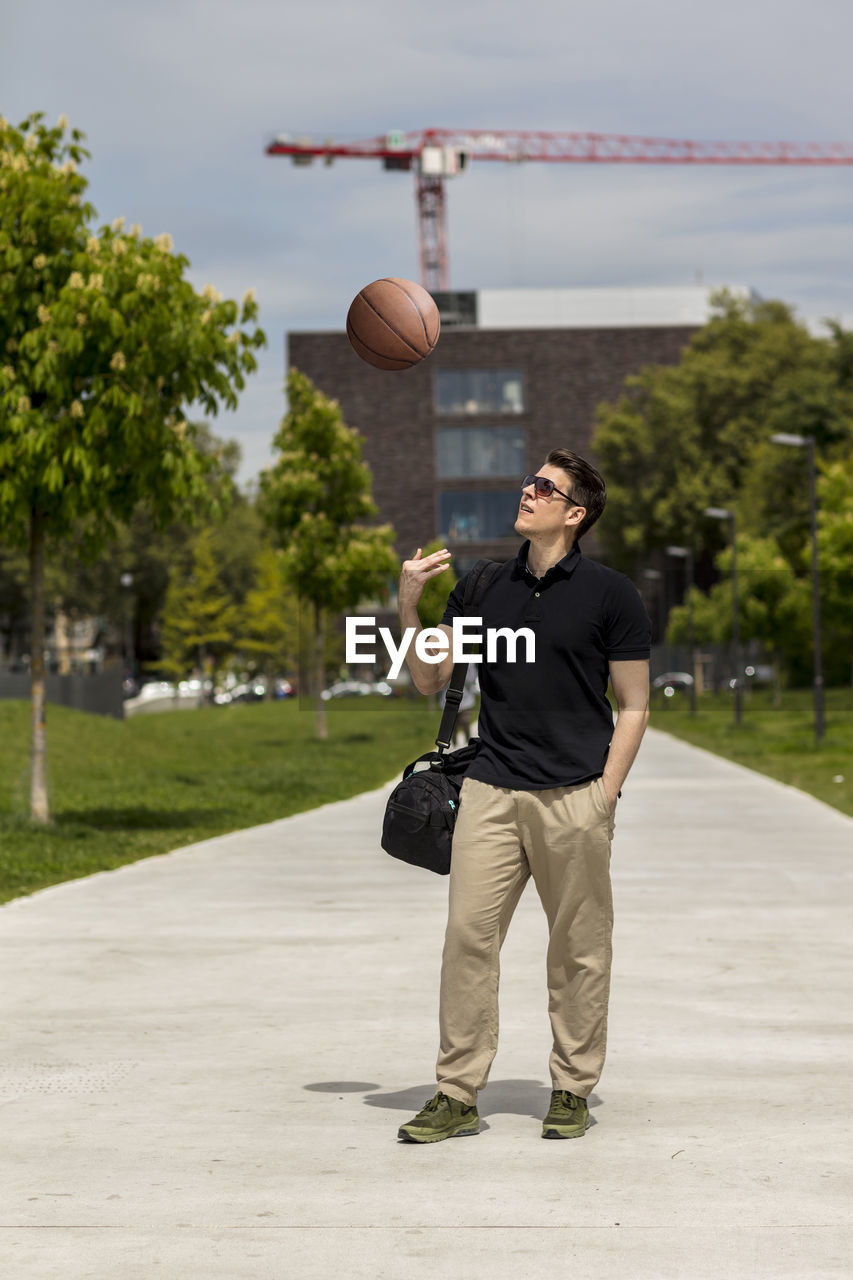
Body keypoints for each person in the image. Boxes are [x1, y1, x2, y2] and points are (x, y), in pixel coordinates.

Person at [395, 450, 650, 1143]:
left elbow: (633, 705)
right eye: (529, 481)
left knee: (577, 950)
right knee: (467, 942)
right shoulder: (481, 588)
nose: (526, 490)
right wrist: (408, 604)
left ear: (574, 513)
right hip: (490, 792)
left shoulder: (610, 595)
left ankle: (570, 1086)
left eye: (544, 486)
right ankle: (456, 1092)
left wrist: (605, 792)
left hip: (575, 796)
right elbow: (426, 681)